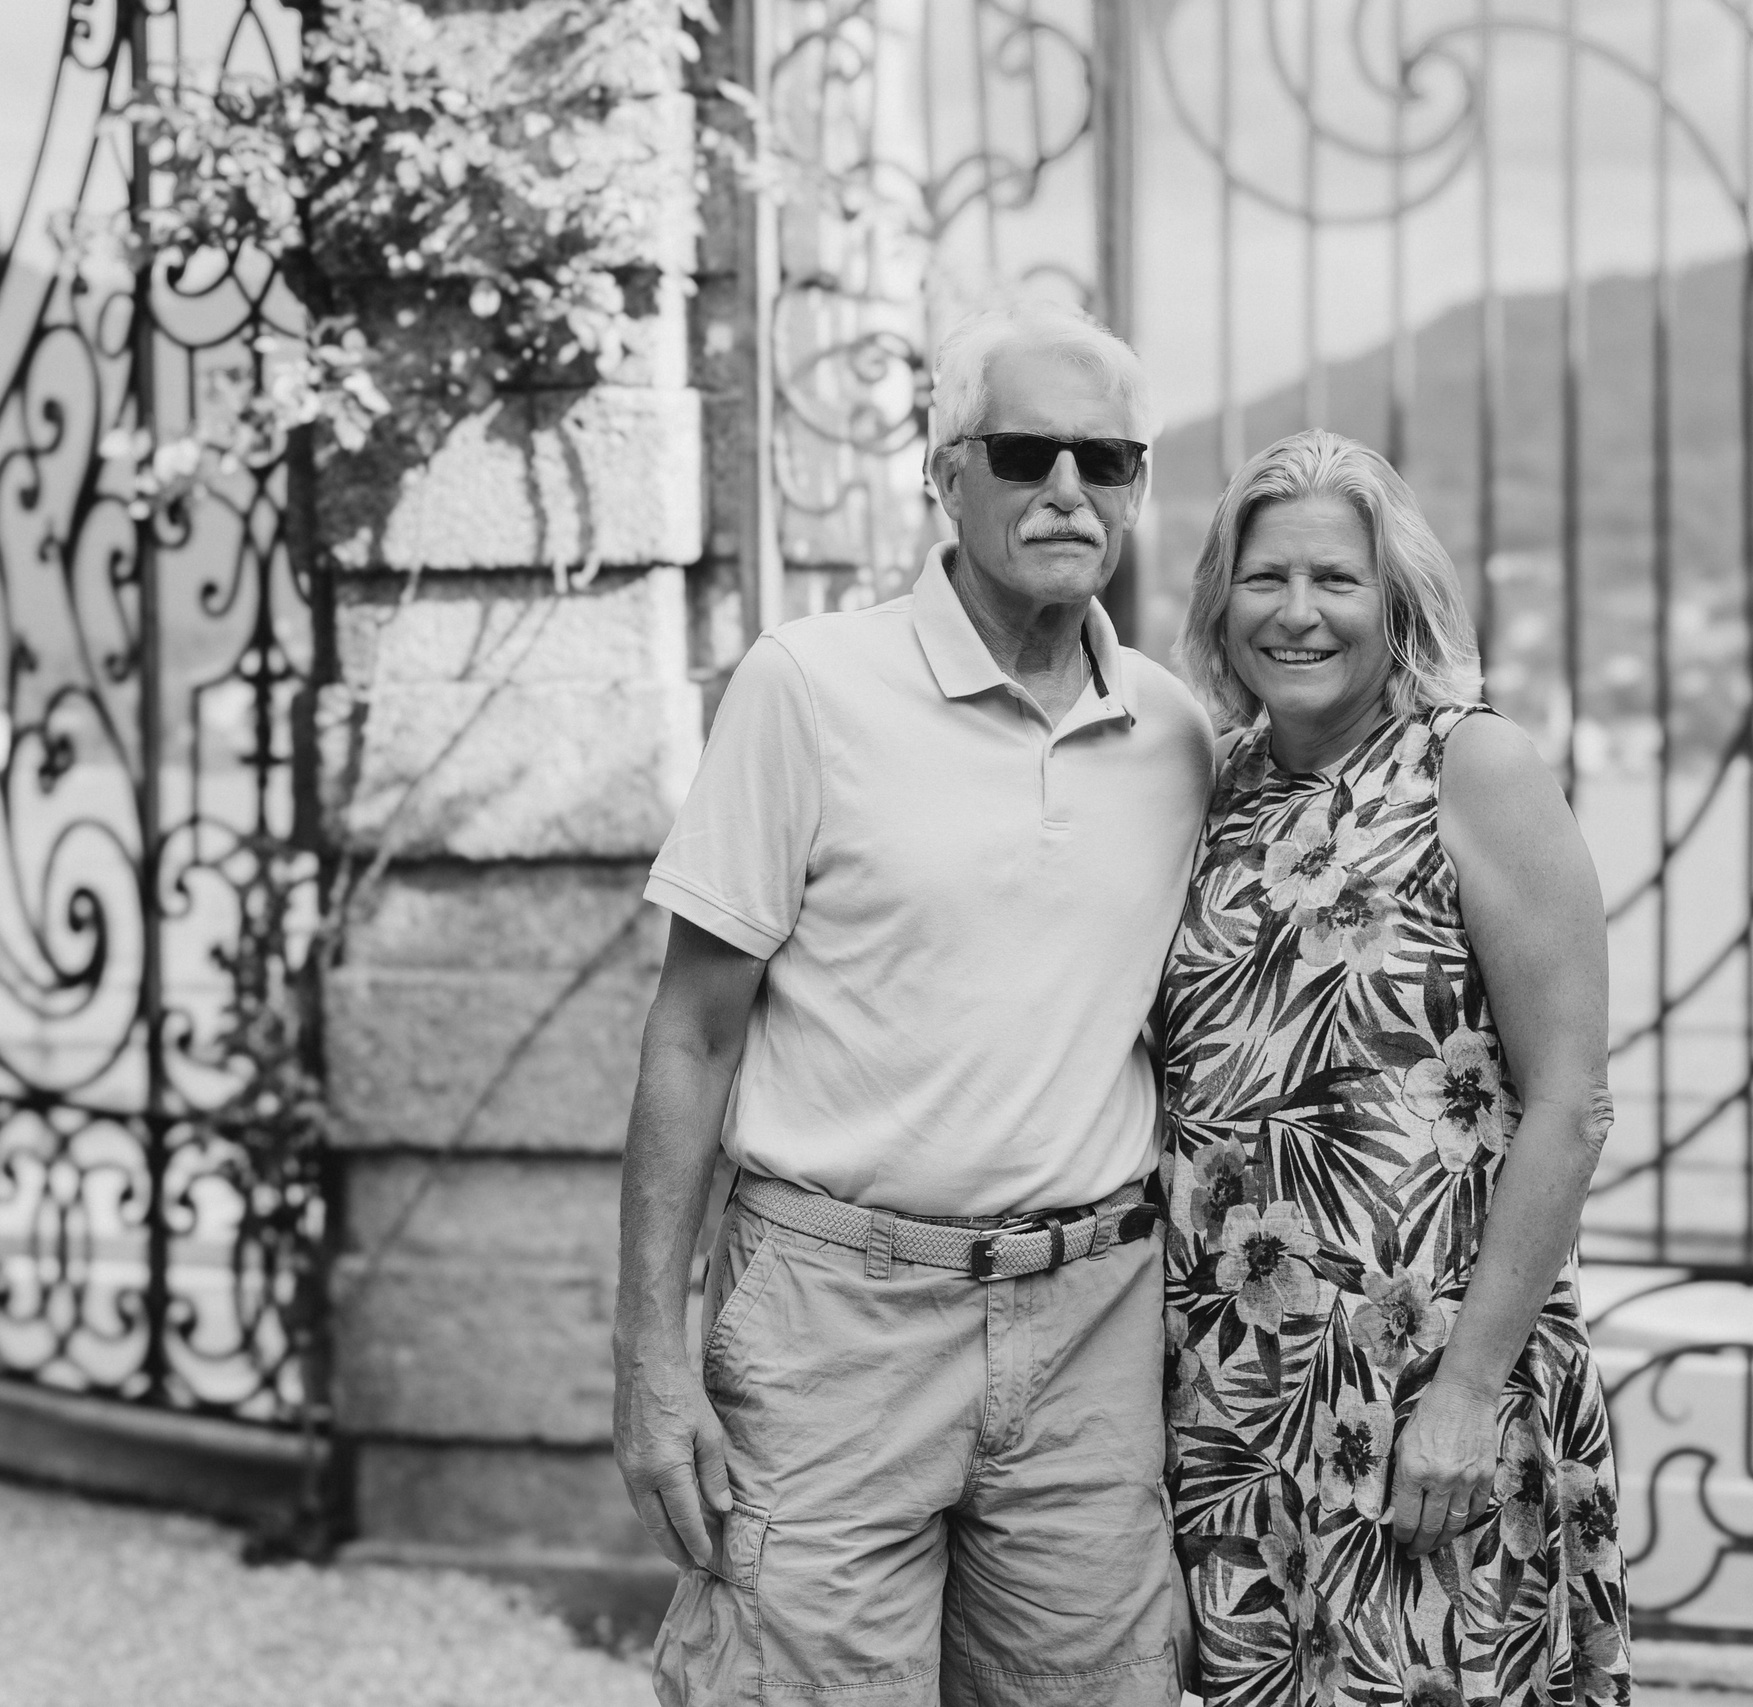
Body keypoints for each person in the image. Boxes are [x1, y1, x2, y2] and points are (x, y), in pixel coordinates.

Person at [612, 298, 1214, 1707]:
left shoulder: (1179, 734)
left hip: (1090, 1330)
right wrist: (649, 1356)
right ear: (946, 475)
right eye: (1023, 452)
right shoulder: (807, 684)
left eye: (1107, 459)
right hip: (833, 1320)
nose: (1069, 489)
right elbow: (692, 1030)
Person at [1157, 430, 1632, 1706]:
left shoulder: (1469, 767)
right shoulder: (1224, 787)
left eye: (1336, 580)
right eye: (1264, 578)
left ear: (1397, 601)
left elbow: (1571, 1104)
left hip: (1422, 1393)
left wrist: (1467, 1391)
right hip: (1232, 1402)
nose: (1296, 613)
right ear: (1220, 599)